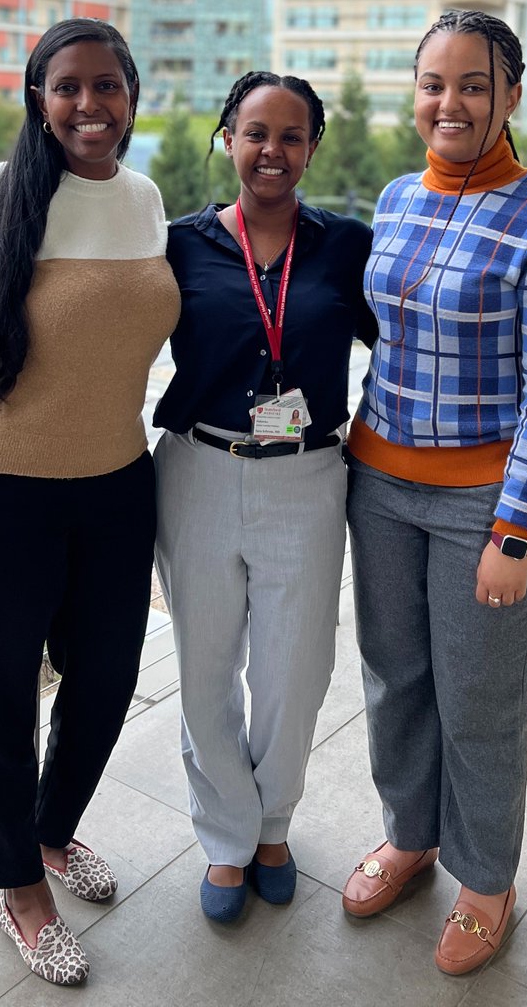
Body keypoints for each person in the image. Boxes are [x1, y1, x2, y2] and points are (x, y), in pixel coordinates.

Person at [0, 19, 180, 985]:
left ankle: (55, 834)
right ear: (38, 97)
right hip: (0, 500)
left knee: (105, 685)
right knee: (0, 709)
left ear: (132, 97)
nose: (89, 106)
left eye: (108, 87)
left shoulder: (146, 203)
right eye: (68, 87)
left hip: (116, 489)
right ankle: (20, 890)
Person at [340, 10, 527, 975]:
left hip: (484, 503)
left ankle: (487, 878)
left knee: (483, 696)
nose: (450, 103)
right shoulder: (399, 196)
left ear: (510, 96)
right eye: (434, 84)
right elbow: (392, 334)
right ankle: (413, 837)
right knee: (395, 674)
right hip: (381, 483)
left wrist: (517, 532)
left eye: (474, 86)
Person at [154, 71, 376, 922]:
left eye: (291, 136)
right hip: (199, 472)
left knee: (296, 667)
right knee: (205, 664)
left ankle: (274, 824)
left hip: (309, 477)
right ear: (227, 139)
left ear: (313, 146)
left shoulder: (346, 245)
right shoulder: (178, 245)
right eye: (254, 133)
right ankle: (226, 839)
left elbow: (403, 335)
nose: (271, 151)